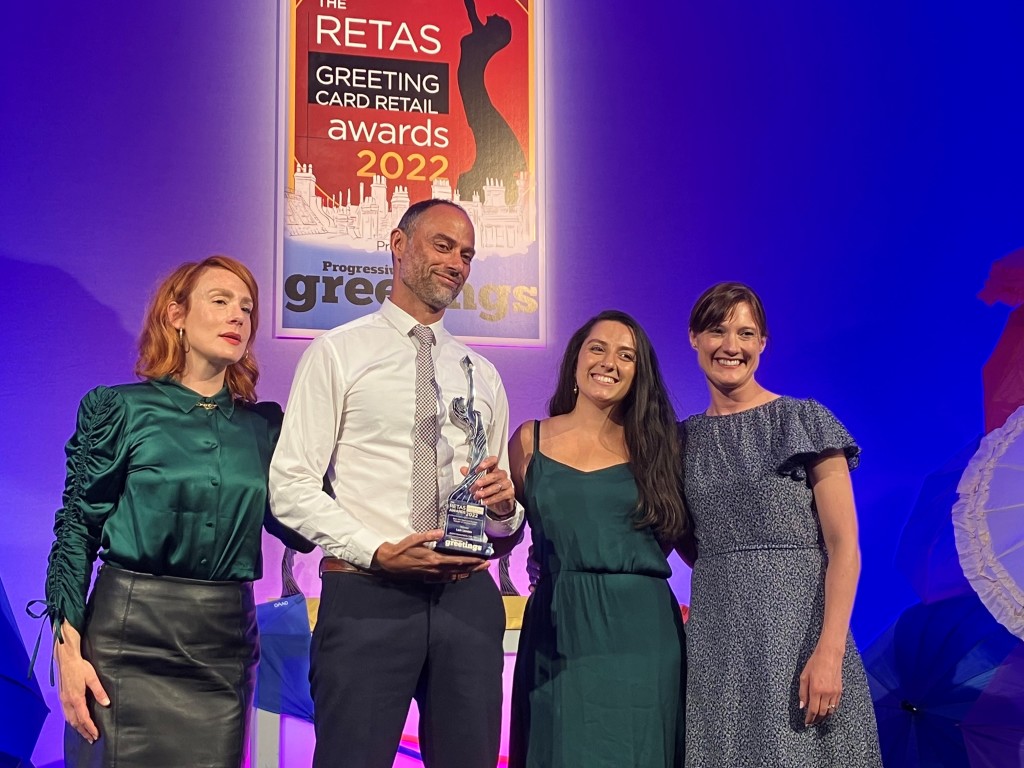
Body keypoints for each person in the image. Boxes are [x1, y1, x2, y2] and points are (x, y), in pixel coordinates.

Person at [269, 198, 525, 768]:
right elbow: (290, 486)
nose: (457, 263)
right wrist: (378, 552)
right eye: (442, 246)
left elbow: (501, 511)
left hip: (466, 599)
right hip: (367, 598)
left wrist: (508, 510)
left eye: (467, 254)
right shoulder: (338, 352)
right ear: (398, 244)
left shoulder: (482, 374)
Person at [43, 255, 312, 768]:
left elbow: (301, 531)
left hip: (223, 648)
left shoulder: (265, 429)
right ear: (176, 315)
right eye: (220, 301)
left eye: (247, 308)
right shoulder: (120, 410)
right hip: (127, 640)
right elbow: (77, 530)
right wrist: (68, 654)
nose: (238, 316)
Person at [681, 282, 882, 766]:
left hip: (801, 638)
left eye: (746, 333)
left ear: (763, 344)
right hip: (720, 643)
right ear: (694, 338)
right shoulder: (681, 441)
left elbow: (844, 547)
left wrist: (829, 652)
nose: (731, 345)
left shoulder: (803, 421)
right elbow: (691, 543)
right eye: (717, 330)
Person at [508, 310, 688, 768]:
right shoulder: (530, 441)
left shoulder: (661, 446)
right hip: (559, 627)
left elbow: (676, 536)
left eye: (626, 355)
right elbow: (505, 532)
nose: (610, 362)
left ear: (638, 373)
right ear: (574, 361)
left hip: (642, 634)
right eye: (598, 348)